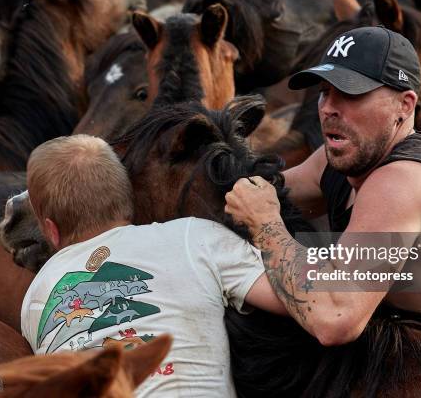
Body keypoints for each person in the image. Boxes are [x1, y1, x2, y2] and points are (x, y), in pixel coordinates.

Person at [225, 26, 421, 347]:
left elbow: (335, 319)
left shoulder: (402, 182)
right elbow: (260, 194)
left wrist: (267, 226)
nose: (327, 108)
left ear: (405, 106)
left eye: (350, 93)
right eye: (324, 91)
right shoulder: (340, 158)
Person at [21, 134, 287, 397]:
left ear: (52, 231)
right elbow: (295, 296)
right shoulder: (194, 236)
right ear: (129, 199)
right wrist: (269, 220)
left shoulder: (35, 296)